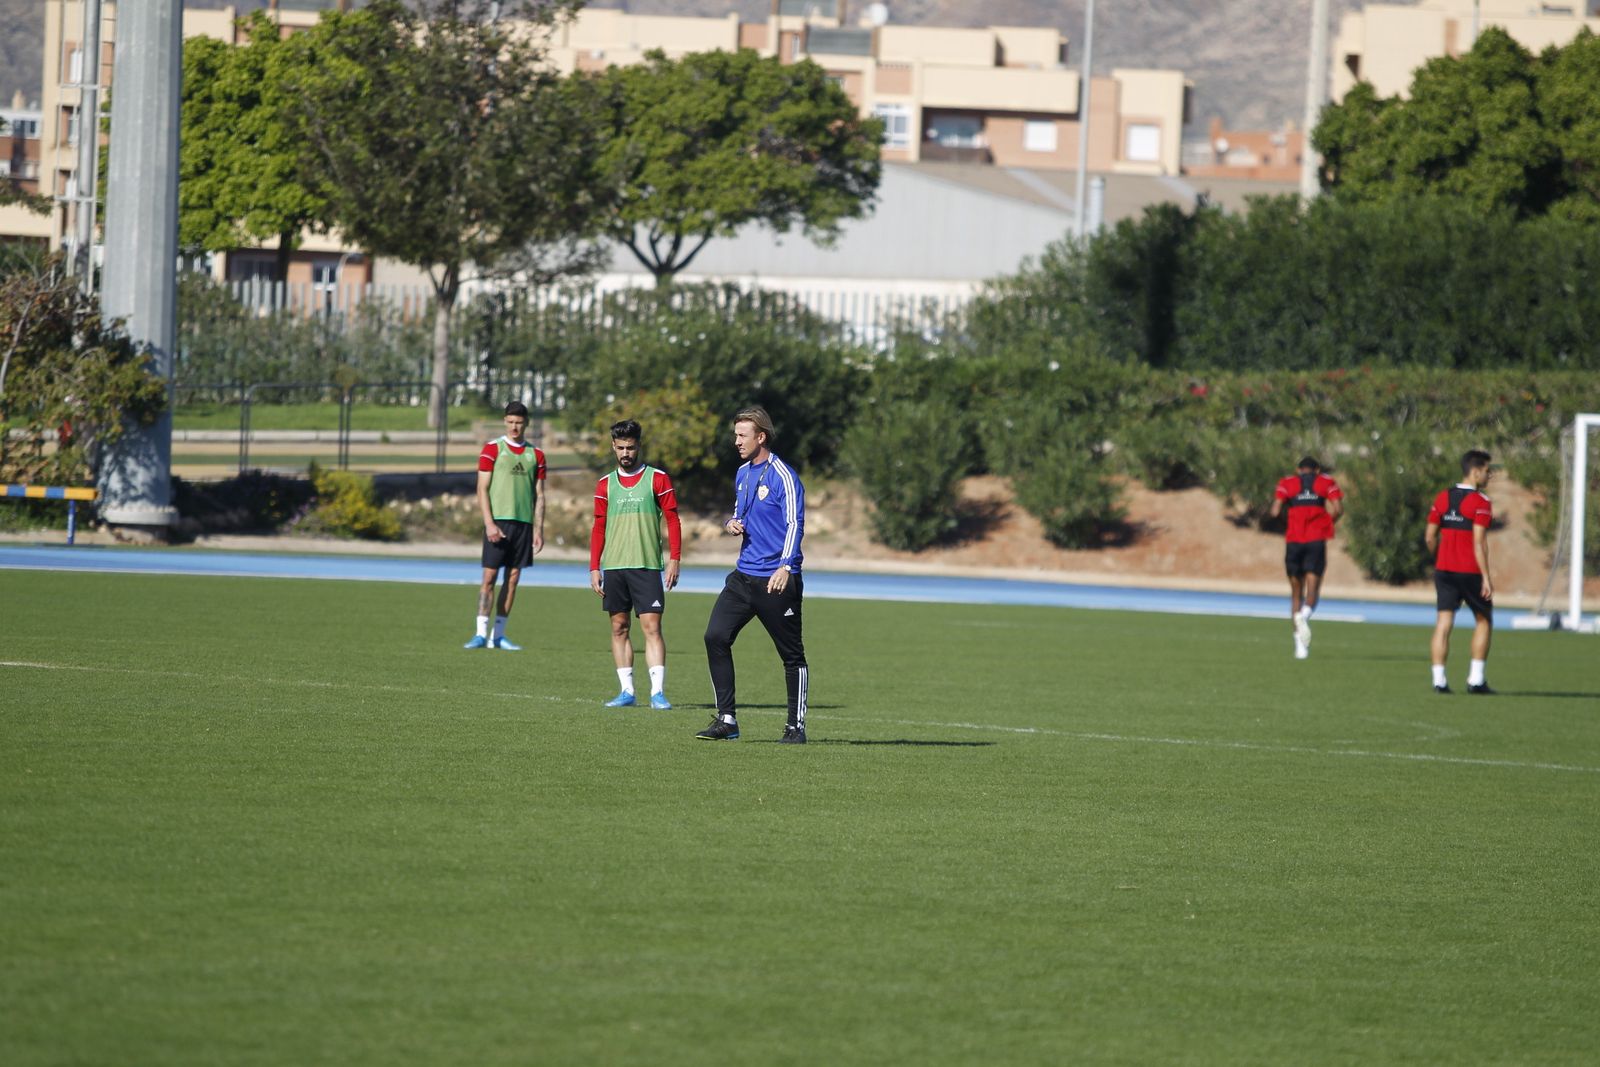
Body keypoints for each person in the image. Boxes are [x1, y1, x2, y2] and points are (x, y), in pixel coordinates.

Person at [698, 406, 808, 744]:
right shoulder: (743, 473)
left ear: (761, 436)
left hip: (776, 580)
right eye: (735, 435)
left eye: (742, 435)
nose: (736, 441)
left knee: (791, 656)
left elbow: (795, 523)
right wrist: (732, 523)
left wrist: (785, 566)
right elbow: (739, 511)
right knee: (715, 636)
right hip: (743, 577)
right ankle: (727, 720)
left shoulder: (783, 476)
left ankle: (795, 728)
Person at [589, 419, 682, 709]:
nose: (625, 453)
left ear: (638, 446)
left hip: (646, 565)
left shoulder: (658, 479)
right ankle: (627, 691)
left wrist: (675, 559)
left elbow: (673, 520)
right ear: (613, 447)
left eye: (630, 447)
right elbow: (599, 527)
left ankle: (657, 693)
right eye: (620, 448)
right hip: (615, 566)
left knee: (652, 628)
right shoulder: (605, 484)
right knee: (619, 627)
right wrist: (594, 566)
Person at [464, 401, 545, 650]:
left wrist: (538, 529)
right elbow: (482, 488)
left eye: (519, 422)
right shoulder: (492, 449)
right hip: (498, 522)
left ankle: (498, 636)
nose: (514, 427)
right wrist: (489, 523)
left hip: (523, 525)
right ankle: (480, 633)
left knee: (512, 580)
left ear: (526, 423)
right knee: (489, 577)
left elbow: (540, 494)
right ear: (504, 421)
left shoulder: (536, 455)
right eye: (510, 422)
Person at [1425, 450, 1496, 694]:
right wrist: (1486, 577)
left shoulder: (1442, 497)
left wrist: (1439, 558)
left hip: (1444, 570)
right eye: (1487, 471)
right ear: (1475, 472)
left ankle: (1439, 681)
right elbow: (1479, 543)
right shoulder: (1481, 502)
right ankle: (1476, 680)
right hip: (1470, 571)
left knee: (1443, 623)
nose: (1489, 475)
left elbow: (1430, 537)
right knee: (1484, 620)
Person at [1268, 456, 1345, 660]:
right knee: (1313, 590)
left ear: (1298, 469)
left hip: (1294, 542)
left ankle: (1300, 648)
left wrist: (1288, 522)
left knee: (1296, 594)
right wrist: (1326, 523)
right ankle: (1305, 615)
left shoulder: (1287, 483)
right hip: (1315, 542)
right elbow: (1339, 509)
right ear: (1317, 470)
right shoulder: (1326, 482)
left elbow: (1274, 511)